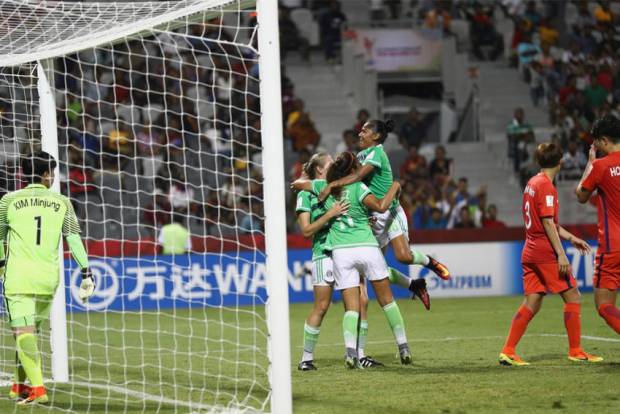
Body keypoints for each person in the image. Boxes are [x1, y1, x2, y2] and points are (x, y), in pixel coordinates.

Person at [294, 153, 430, 369]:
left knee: (361, 302)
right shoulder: (315, 192)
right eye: (329, 161)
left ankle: (359, 354)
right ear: (321, 169)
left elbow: (303, 184)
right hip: (329, 251)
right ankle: (307, 359)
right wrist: (330, 214)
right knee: (323, 306)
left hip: (340, 251)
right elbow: (306, 230)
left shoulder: (327, 186)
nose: (333, 163)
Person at [0, 151, 95, 404]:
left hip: (18, 277)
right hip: (48, 278)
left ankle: (38, 389)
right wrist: (86, 270)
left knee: (22, 331)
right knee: (28, 333)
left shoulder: (8, 200)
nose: (53, 176)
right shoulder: (62, 201)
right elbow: (73, 237)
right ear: (45, 175)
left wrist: (1, 264)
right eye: (51, 172)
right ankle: (18, 385)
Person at [499, 143, 601, 366]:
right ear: (561, 162)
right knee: (573, 296)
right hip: (544, 251)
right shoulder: (546, 187)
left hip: (529, 249)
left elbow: (549, 222)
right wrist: (561, 254)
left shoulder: (532, 183)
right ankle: (576, 350)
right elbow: (547, 222)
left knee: (532, 301)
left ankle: (508, 350)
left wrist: (571, 237)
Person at [315, 119, 451, 282]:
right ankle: (413, 285)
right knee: (374, 266)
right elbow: (356, 183)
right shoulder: (360, 155)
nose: (360, 134)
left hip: (390, 212)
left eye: (365, 131)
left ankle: (431, 263)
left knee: (403, 256)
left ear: (376, 136)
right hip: (373, 215)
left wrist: (332, 185)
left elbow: (358, 176)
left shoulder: (377, 153)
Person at [576, 115, 620, 335]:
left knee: (604, 306)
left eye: (597, 143)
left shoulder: (601, 166)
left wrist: (590, 163)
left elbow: (581, 195)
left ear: (604, 140)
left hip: (613, 247)